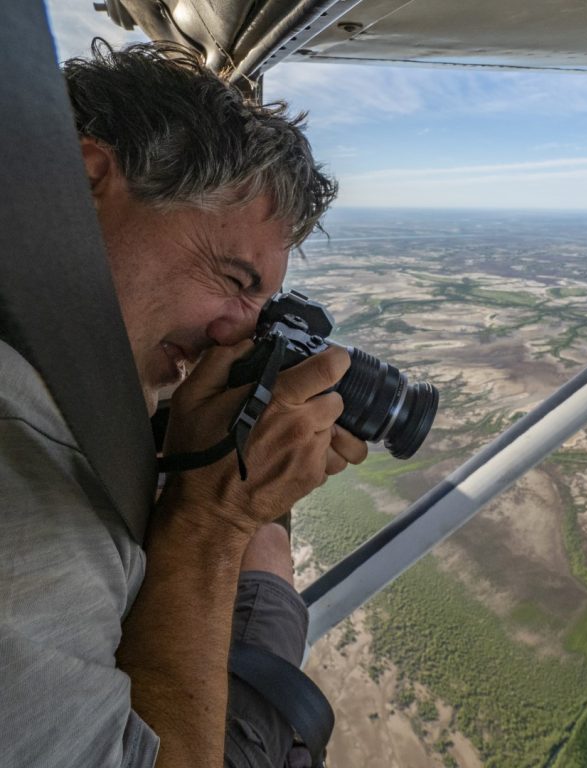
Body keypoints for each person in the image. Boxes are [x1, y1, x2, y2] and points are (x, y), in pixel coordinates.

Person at [0, 40, 367, 767]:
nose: (236, 332)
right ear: (84, 180)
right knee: (261, 532)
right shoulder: (28, 497)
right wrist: (213, 517)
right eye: (234, 279)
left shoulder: (48, 368)